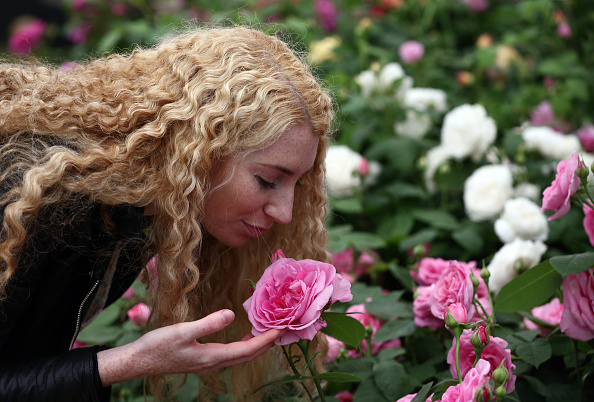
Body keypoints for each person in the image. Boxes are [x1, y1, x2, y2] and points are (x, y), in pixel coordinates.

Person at [0, 26, 334, 401]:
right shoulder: (36, 200)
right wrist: (128, 361)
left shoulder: (137, 205)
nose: (286, 213)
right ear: (197, 150)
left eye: (299, 184)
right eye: (268, 180)